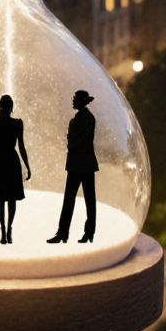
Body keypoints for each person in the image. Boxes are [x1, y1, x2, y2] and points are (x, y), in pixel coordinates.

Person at [47, 89, 98, 244]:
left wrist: (72, 144)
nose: (73, 101)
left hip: (84, 164)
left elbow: (78, 140)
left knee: (89, 200)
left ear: (82, 101)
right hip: (76, 163)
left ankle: (89, 232)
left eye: (76, 99)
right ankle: (63, 232)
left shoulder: (88, 119)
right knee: (69, 199)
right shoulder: (76, 119)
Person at [0, 94, 31, 245]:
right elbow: (21, 147)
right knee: (10, 198)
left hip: (0, 161)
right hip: (11, 160)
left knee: (2, 198)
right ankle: (8, 229)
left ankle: (4, 229)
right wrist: (27, 166)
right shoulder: (16, 123)